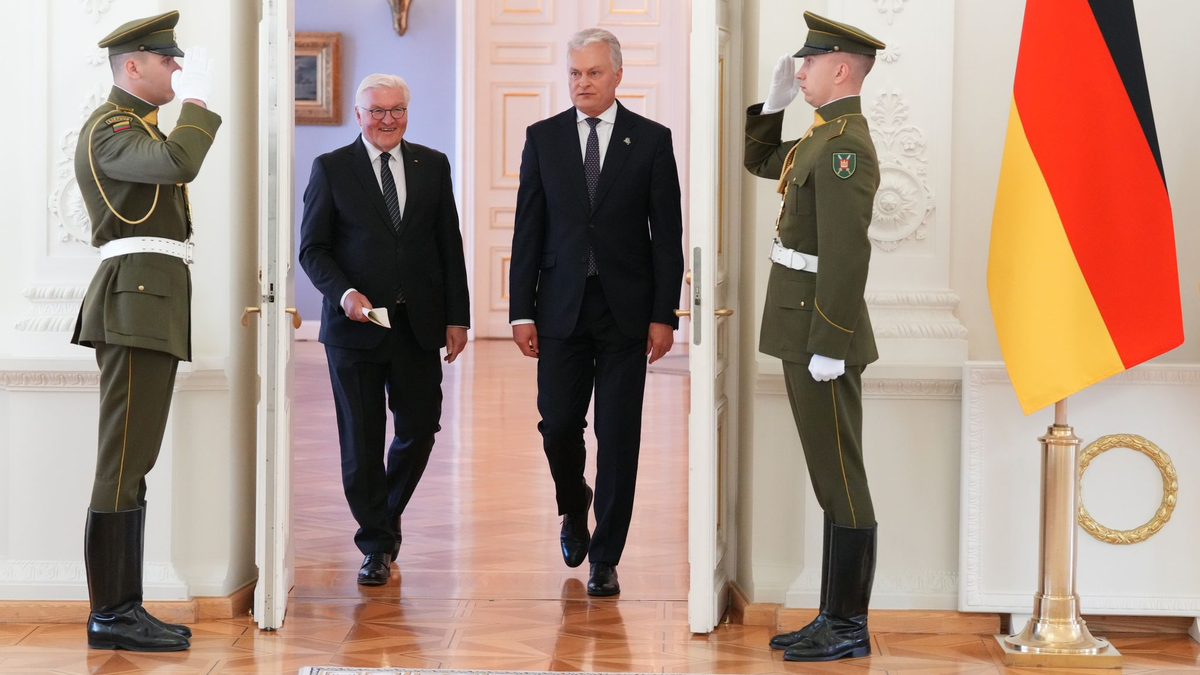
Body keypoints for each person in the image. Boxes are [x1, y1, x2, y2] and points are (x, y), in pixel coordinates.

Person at [509, 28, 684, 597]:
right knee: (559, 424)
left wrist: (665, 314)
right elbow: (528, 228)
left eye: (592, 73)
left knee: (618, 436)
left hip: (626, 315)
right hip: (559, 309)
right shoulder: (543, 138)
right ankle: (572, 503)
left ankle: (605, 555)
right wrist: (520, 311)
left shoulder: (652, 141)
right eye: (574, 74)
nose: (582, 83)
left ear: (617, 76)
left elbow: (667, 238)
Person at [70, 10, 219, 652]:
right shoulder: (112, 130)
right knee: (123, 460)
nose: (177, 68)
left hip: (149, 307)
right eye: (167, 60)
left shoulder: (136, 129)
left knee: (136, 459)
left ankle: (124, 608)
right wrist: (201, 107)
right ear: (133, 66)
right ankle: (112, 614)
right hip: (133, 308)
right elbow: (180, 163)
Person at [742, 11, 885, 663]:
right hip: (802, 325)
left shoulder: (847, 144)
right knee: (829, 476)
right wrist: (770, 105)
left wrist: (830, 338)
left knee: (841, 478)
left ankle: (848, 624)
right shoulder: (820, 137)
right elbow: (759, 159)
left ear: (842, 68)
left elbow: (847, 254)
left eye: (808, 63)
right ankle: (832, 614)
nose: (799, 71)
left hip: (820, 333)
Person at [299, 74, 470, 587]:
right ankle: (375, 544)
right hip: (355, 328)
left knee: (420, 429)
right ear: (358, 115)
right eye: (376, 111)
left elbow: (449, 245)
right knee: (362, 440)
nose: (387, 119)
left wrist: (457, 317)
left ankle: (385, 512)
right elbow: (313, 249)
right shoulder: (330, 169)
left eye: (396, 110)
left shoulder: (432, 165)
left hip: (415, 326)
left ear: (407, 113)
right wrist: (345, 294)